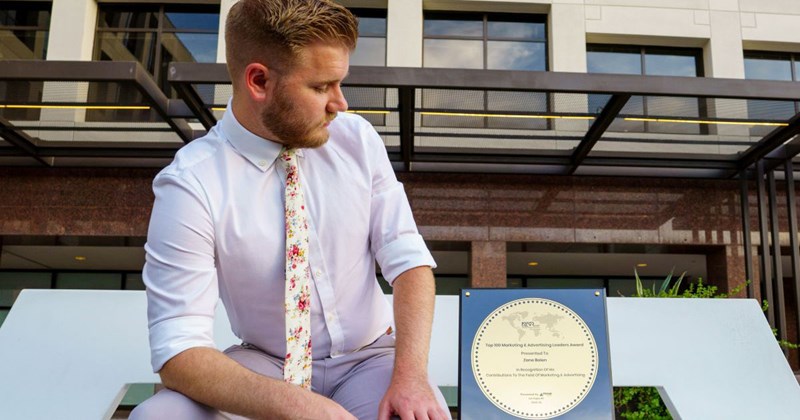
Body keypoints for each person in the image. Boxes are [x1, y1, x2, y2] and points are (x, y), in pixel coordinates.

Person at [129, 0, 450, 419]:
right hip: (265, 364)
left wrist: (410, 377)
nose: (340, 103)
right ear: (259, 81)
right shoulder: (191, 183)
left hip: (370, 359)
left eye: (339, 83)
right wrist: (308, 409)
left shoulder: (357, 139)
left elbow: (409, 264)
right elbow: (179, 350)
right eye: (321, 87)